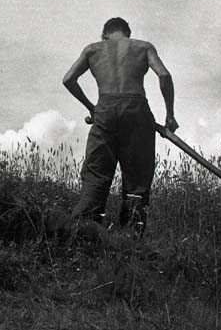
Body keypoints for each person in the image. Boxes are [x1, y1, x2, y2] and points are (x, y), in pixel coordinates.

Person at [62, 17, 178, 236]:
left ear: (105, 34)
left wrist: (91, 107)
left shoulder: (92, 49)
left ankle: (84, 233)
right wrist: (170, 116)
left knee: (96, 173)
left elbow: (68, 79)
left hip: (105, 108)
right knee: (137, 176)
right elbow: (164, 75)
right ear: (128, 33)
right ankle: (131, 237)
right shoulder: (143, 47)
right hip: (137, 110)